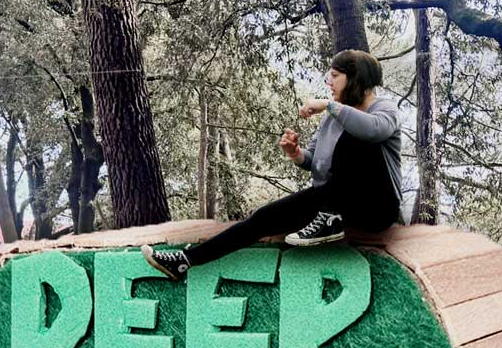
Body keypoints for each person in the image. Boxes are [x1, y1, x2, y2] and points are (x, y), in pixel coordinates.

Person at [142, 50, 403, 279]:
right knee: (263, 218)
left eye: (335, 75)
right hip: (332, 204)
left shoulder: (385, 108)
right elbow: (316, 163)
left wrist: (327, 105)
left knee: (353, 136)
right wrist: (297, 154)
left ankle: (330, 218)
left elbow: (373, 131)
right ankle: (186, 262)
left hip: (376, 207)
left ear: (355, 78)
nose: (328, 81)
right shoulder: (331, 119)